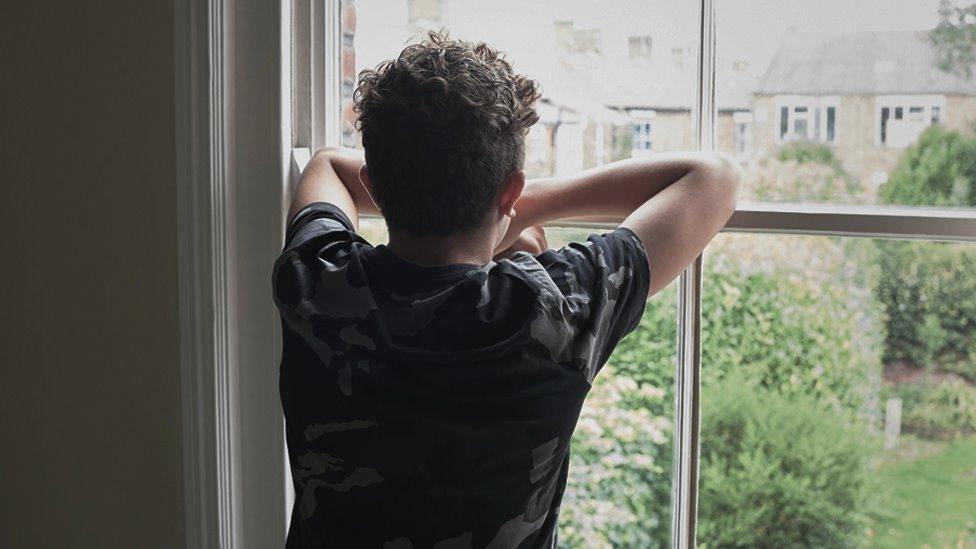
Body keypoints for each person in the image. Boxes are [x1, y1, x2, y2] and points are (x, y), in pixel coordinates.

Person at [272, 31, 741, 549]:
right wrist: (514, 209)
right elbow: (713, 177)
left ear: (376, 187)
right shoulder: (553, 308)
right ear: (511, 189)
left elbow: (327, 166)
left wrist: (491, 204)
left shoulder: (316, 281)